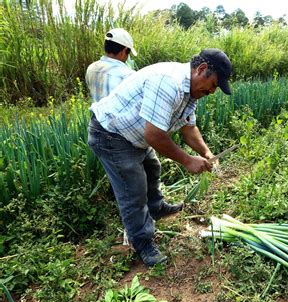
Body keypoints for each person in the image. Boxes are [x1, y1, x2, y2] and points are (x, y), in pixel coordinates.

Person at [87, 48, 232, 267]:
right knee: (133, 190)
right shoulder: (168, 82)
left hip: (134, 135)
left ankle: (156, 207)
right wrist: (187, 160)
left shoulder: (190, 93)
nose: (213, 91)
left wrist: (207, 153)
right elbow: (154, 134)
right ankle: (142, 243)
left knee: (152, 168)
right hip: (111, 134)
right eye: (213, 85)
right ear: (201, 70)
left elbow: (189, 128)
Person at [86, 28, 137, 103]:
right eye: (128, 53)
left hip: (97, 114)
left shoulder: (91, 68)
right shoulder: (128, 75)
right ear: (124, 51)